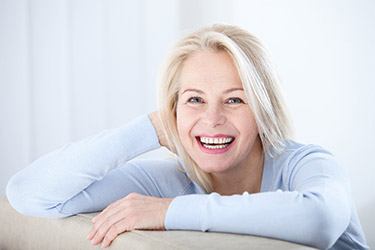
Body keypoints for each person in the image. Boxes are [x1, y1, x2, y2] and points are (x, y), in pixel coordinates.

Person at [6, 24, 369, 250]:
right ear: (173, 108)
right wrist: (149, 129)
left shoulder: (306, 163)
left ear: (263, 110)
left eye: (235, 99)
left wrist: (168, 212)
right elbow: (30, 195)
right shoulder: (170, 179)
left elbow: (319, 221)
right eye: (194, 99)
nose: (212, 119)